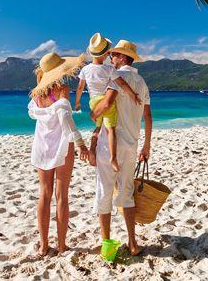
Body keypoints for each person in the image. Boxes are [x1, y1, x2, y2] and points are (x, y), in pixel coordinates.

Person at [90, 40, 152, 257]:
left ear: (122, 57)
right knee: (127, 193)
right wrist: (146, 145)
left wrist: (93, 114)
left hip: (111, 146)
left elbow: (107, 104)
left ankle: (107, 246)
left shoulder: (116, 78)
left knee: (104, 191)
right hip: (131, 145)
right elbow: (148, 117)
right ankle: (133, 244)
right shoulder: (142, 82)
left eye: (113, 55)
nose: (110, 59)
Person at [28, 52, 89, 257]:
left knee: (44, 194)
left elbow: (35, 114)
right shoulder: (62, 89)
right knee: (61, 195)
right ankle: (62, 245)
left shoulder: (37, 94)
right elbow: (65, 117)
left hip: (42, 146)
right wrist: (80, 143)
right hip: (62, 145)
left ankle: (44, 246)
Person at [74, 32, 141, 172]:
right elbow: (122, 84)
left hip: (93, 102)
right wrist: (133, 95)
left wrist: (77, 102)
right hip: (105, 101)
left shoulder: (85, 69)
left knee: (97, 128)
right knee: (111, 130)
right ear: (105, 54)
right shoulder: (109, 69)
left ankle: (92, 149)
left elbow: (80, 87)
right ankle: (113, 158)